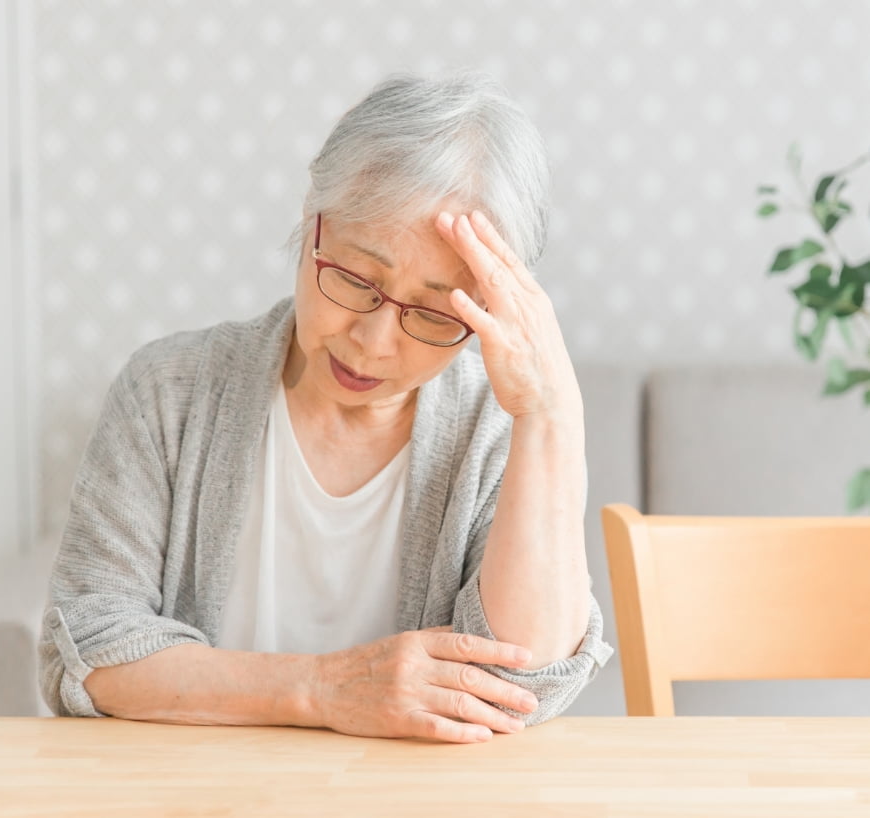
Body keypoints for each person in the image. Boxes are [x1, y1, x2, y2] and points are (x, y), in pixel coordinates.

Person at [39, 70, 612, 743]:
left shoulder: (496, 430)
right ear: (314, 222)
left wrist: (551, 414)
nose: (372, 340)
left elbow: (521, 689)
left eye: (431, 312)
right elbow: (88, 648)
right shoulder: (168, 392)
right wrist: (325, 689)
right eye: (355, 278)